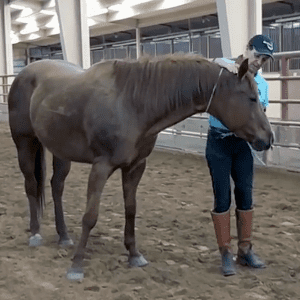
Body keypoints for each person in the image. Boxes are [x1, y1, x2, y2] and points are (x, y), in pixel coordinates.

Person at [206, 34, 274, 276]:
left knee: (245, 194)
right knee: (222, 197)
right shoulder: (226, 69)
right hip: (219, 142)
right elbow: (212, 61)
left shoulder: (262, 85)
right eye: (257, 56)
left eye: (264, 60)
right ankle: (225, 253)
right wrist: (227, 65)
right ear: (247, 50)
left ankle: (245, 250)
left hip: (241, 144)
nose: (259, 62)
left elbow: (259, 114)